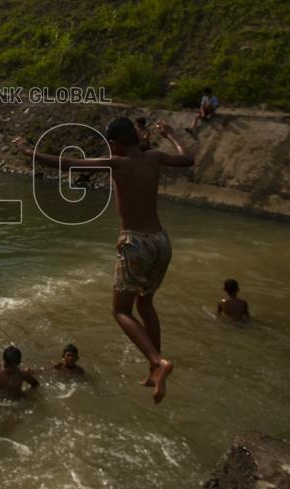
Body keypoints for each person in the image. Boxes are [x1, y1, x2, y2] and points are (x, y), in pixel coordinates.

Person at [13, 117, 193, 404]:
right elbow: (187, 159)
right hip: (161, 241)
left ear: (114, 143)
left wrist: (28, 152)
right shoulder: (154, 157)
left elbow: (68, 164)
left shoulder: (117, 164)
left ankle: (159, 362)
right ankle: (153, 370)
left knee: (120, 312)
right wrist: (171, 134)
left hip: (135, 243)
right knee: (145, 303)